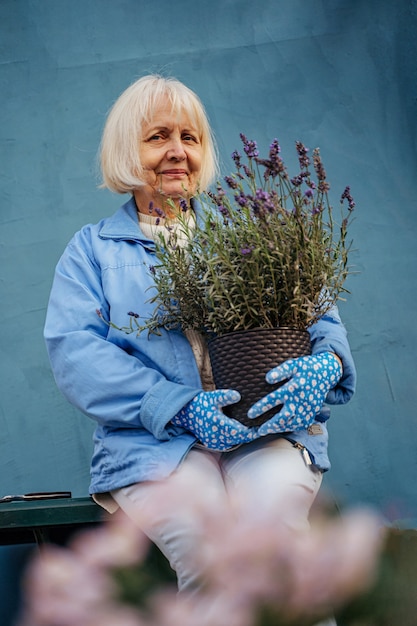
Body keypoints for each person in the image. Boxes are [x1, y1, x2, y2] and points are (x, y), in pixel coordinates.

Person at [44, 75, 356, 616]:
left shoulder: (254, 229)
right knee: (209, 555)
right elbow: (76, 353)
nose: (177, 152)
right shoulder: (90, 252)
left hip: (262, 431)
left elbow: (321, 315)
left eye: (190, 138)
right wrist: (178, 407)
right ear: (127, 149)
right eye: (158, 136)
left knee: (279, 542)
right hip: (154, 445)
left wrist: (325, 364)